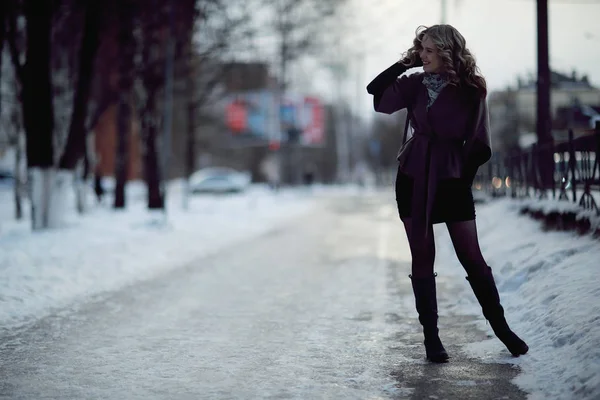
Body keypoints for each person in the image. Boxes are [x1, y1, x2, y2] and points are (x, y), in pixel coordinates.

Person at [366, 24, 528, 363]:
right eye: (420, 49)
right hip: (413, 175)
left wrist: (462, 181)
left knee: (472, 256)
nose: (422, 55)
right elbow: (375, 92)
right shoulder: (413, 85)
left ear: (446, 51)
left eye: (428, 50)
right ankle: (431, 339)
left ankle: (502, 328)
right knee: (422, 257)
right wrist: (404, 63)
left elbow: (479, 144)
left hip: (453, 177)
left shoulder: (472, 89)